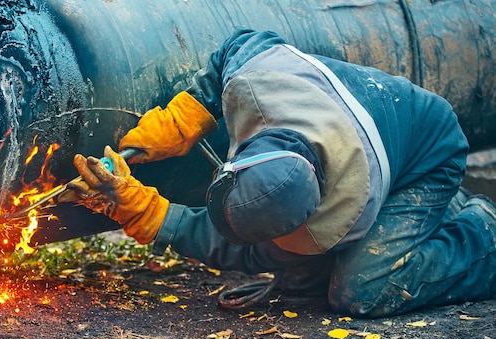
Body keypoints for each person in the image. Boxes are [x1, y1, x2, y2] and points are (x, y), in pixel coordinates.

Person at [59, 28, 496, 318]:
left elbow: (249, 253)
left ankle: (482, 232)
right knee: (307, 274)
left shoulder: (348, 209)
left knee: (360, 289)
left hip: (428, 151)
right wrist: (184, 115)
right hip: (375, 123)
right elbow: (237, 44)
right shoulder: (259, 74)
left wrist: (148, 215)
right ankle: (434, 216)